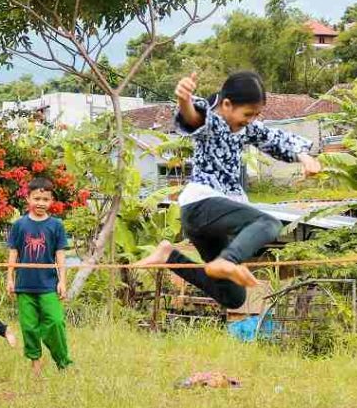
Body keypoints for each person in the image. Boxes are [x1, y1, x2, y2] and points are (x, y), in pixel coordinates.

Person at [135, 71, 320, 308]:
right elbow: (192, 117)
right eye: (247, 114)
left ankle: (169, 256)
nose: (251, 120)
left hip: (211, 219)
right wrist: (184, 100)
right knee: (269, 224)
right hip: (202, 204)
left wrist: (305, 158)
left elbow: (275, 139)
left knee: (233, 297)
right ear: (226, 104)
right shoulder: (212, 121)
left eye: (256, 115)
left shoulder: (246, 128)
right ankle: (228, 260)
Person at [6, 177, 72, 375]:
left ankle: (63, 362)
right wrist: (10, 278)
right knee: (29, 326)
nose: (41, 203)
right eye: (37, 198)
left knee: (56, 321)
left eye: (45, 199)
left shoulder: (56, 225)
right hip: (24, 285)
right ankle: (35, 365)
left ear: (51, 201)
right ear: (28, 199)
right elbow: (13, 253)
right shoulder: (19, 225)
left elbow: (60, 255)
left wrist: (62, 281)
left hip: (48, 285)